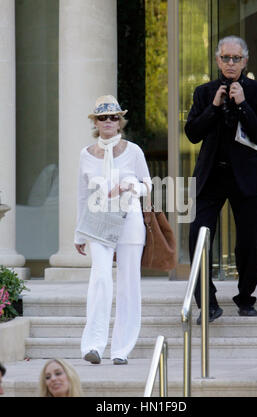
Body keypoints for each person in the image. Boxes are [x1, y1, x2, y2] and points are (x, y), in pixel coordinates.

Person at [185, 36, 257, 324]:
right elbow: (192, 133)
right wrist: (213, 106)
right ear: (217, 60)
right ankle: (207, 303)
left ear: (245, 61)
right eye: (225, 58)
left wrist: (243, 104)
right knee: (198, 237)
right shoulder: (203, 92)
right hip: (211, 176)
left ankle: (245, 297)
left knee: (249, 240)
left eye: (236, 58)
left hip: (245, 177)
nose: (230, 63)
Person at [74, 95, 151, 365]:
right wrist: (78, 233)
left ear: (120, 121)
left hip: (128, 218)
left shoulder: (134, 151)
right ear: (95, 122)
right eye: (103, 117)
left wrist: (130, 184)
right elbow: (82, 195)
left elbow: (148, 186)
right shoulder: (86, 154)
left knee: (129, 284)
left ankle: (121, 349)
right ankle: (94, 344)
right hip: (97, 220)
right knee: (101, 279)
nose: (109, 121)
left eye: (114, 117)